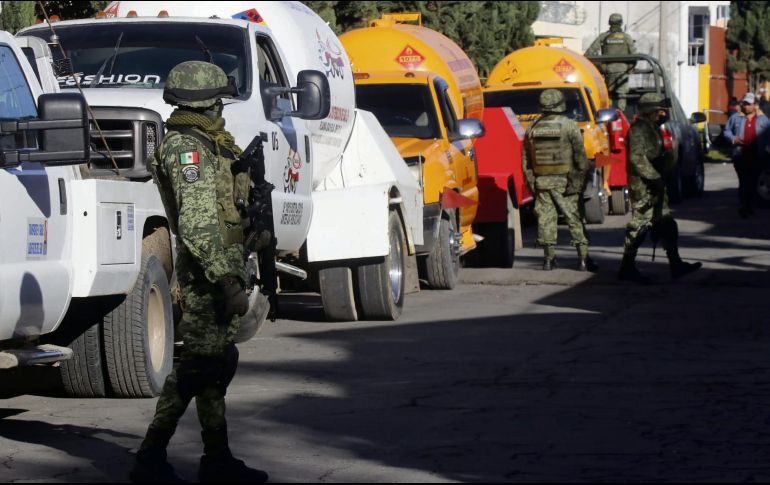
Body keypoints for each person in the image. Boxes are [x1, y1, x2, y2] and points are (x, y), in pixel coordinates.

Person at [129, 61, 268, 483]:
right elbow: (197, 223)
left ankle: (217, 458)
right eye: (218, 101)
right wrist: (227, 280)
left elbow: (221, 212)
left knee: (214, 366)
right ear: (206, 102)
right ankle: (151, 455)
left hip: (220, 265)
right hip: (208, 275)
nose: (221, 109)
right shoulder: (187, 148)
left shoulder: (209, 142)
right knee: (197, 369)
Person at [618, 93, 702, 283]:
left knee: (667, 224)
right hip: (644, 187)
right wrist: (654, 177)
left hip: (657, 184)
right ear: (651, 111)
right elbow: (637, 158)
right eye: (660, 110)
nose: (664, 113)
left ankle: (676, 264)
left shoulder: (653, 128)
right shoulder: (639, 130)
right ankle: (627, 267)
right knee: (640, 226)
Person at [523, 89, 598, 272]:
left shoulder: (532, 127)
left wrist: (532, 183)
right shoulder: (569, 125)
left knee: (546, 220)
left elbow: (526, 160)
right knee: (575, 219)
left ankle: (548, 260)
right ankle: (583, 259)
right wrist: (580, 180)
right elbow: (580, 156)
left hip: (542, 182)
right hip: (566, 182)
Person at [724, 92, 770, 218]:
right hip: (741, 155)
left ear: (755, 105)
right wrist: (734, 139)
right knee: (744, 181)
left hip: (757, 155)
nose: (746, 106)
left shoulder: (763, 120)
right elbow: (727, 131)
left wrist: (767, 149)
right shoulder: (736, 118)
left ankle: (750, 206)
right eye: (744, 104)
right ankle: (744, 205)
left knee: (753, 181)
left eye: (749, 104)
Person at [585, 13, 637, 111]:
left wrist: (600, 67)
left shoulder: (603, 37)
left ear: (609, 23)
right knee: (621, 95)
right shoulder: (627, 38)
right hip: (623, 72)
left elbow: (589, 53)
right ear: (621, 23)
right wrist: (630, 68)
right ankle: (620, 116)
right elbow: (634, 55)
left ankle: (608, 118)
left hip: (608, 71)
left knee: (609, 95)